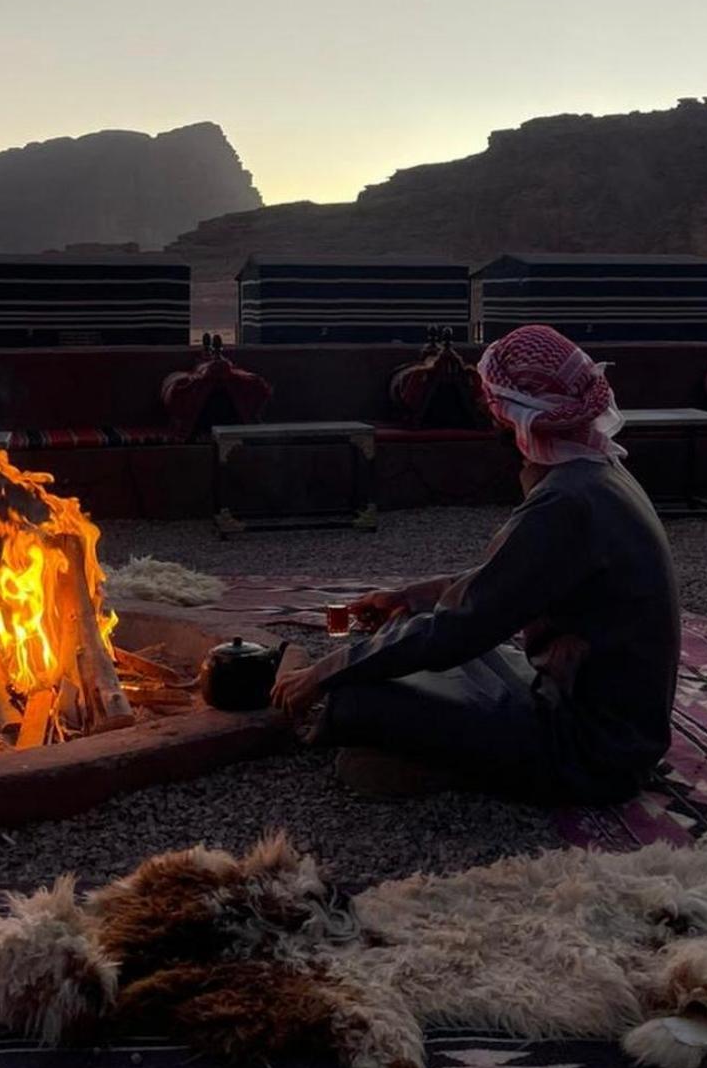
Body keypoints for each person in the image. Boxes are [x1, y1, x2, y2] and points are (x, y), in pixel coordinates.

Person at [271, 324, 680, 804]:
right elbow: (508, 582)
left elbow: (462, 627)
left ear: (514, 418)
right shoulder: (598, 474)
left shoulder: (565, 504)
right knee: (419, 622)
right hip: (610, 723)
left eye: (494, 405)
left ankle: (441, 766)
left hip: (589, 749)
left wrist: (324, 671)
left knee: (356, 698)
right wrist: (410, 597)